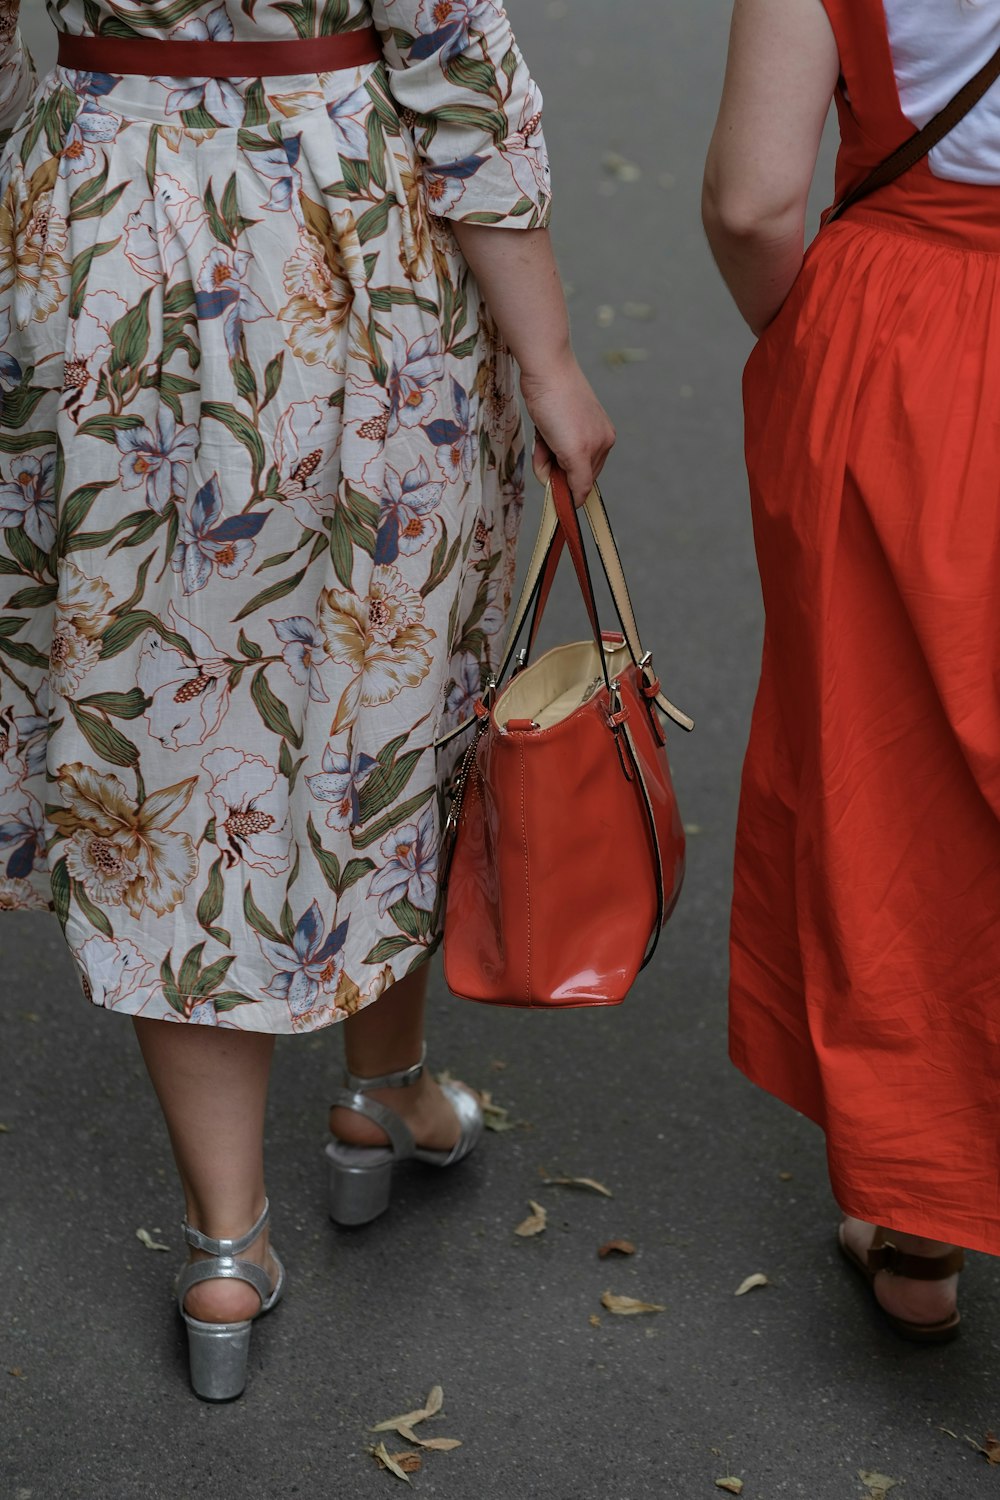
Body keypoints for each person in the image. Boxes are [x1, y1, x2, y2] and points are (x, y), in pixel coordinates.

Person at [0, 0, 614, 1399]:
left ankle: (228, 1241)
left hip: (96, 238)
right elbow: (452, 67)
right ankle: (376, 1095)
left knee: (161, 739)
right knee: (384, 683)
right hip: (342, 247)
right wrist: (551, 356)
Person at [701, 0, 1000, 1344]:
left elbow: (757, 202)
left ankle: (924, 1215)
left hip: (910, 342)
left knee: (906, 796)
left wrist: (817, 337)